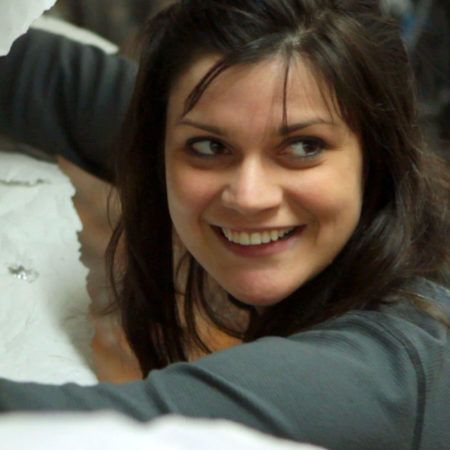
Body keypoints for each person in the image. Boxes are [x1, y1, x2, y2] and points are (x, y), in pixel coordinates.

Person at [0, 1, 449, 449]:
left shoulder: (379, 373)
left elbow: (77, 430)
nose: (249, 197)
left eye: (303, 147)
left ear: (377, 160)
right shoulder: (213, 111)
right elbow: (42, 75)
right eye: (211, 147)